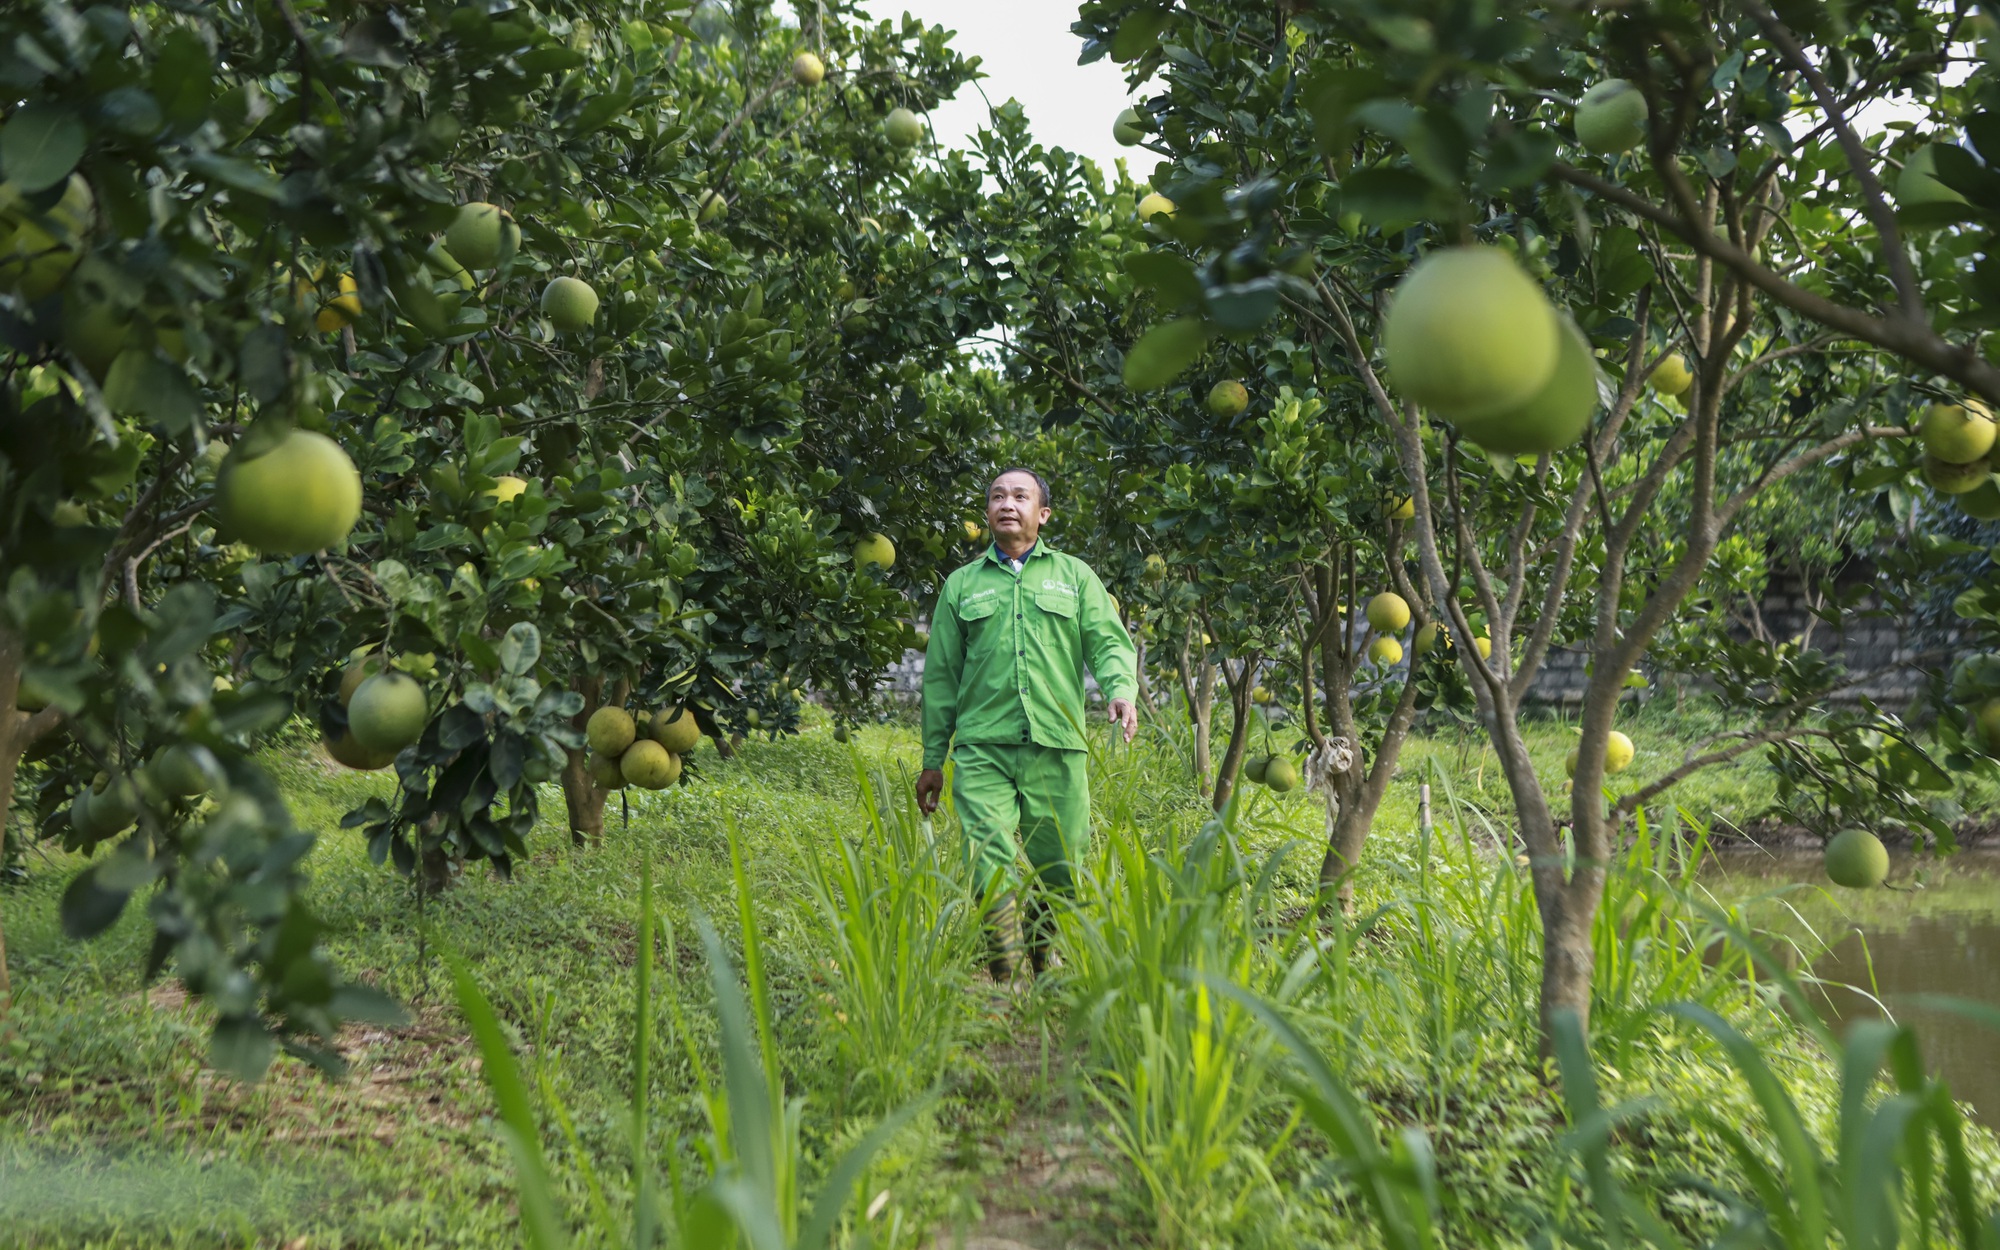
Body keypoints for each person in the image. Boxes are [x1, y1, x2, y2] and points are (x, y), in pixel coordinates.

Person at [916, 467, 1137, 982]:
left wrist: (1120, 690)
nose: (1006, 503)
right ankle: (1007, 969)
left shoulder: (1075, 576)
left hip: (1056, 745)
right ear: (987, 512)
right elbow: (941, 678)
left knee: (1061, 867)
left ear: (1043, 514)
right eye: (997, 496)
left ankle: (1042, 956)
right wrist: (933, 759)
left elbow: (1107, 642)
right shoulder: (961, 586)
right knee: (985, 851)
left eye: (1020, 496)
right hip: (981, 748)